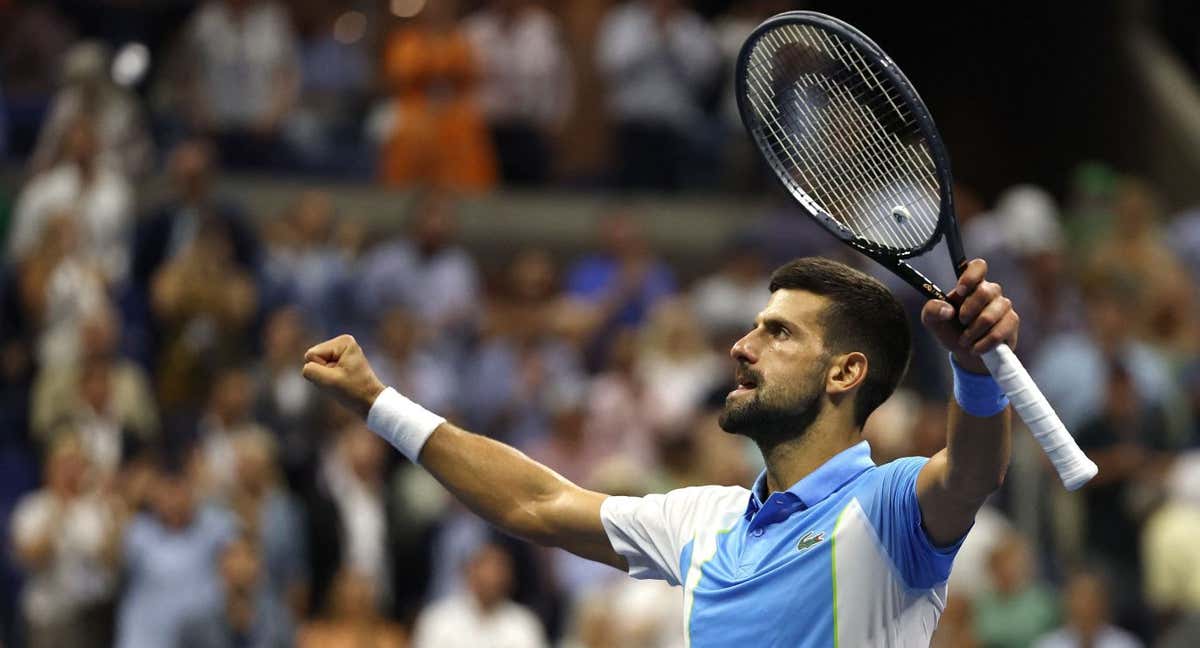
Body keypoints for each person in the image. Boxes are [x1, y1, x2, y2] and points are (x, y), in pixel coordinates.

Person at [301, 256, 1019, 646]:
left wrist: (976, 370)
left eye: (778, 333)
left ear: (844, 373)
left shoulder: (887, 507)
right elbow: (536, 500)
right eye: (753, 327)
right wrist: (378, 404)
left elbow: (974, 472)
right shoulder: (704, 520)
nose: (742, 346)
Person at [411, 542, 547, 648]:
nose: (492, 580)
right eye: (485, 576)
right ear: (470, 574)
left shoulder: (524, 623)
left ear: (509, 579)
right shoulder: (438, 619)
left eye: (498, 574)